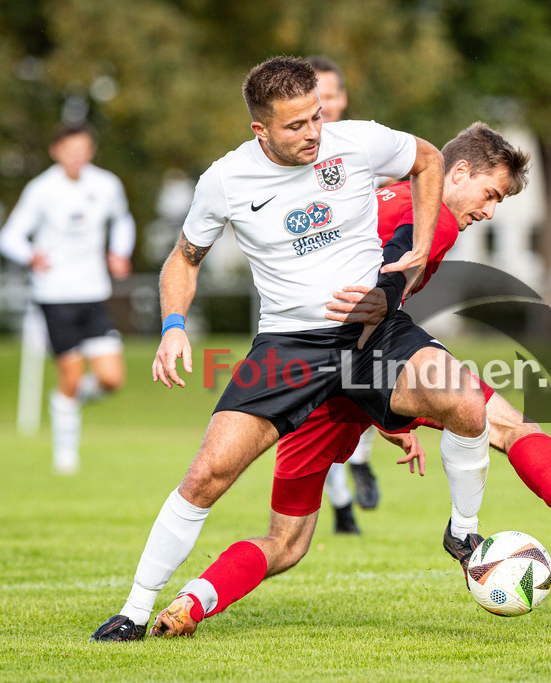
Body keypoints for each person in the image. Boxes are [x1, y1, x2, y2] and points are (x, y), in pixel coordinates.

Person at [145, 122, 551, 638]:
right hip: (349, 358)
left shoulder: (376, 195)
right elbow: (385, 276)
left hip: (324, 374)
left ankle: (191, 601)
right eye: (491, 194)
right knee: (505, 425)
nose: (490, 211)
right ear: (458, 171)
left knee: (286, 542)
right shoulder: (435, 217)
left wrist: (389, 411)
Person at [90, 55, 492, 642]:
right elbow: (183, 257)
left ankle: (464, 532)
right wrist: (174, 324)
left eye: (316, 116)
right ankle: (133, 610)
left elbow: (429, 159)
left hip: (370, 334)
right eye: (295, 125)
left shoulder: (357, 143)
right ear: (261, 130)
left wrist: (418, 251)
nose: (313, 133)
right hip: (288, 346)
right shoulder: (224, 180)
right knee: (207, 474)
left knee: (467, 403)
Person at [0, 122, 135, 475]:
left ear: (91, 151)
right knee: (70, 376)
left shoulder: (106, 185)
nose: (77, 156)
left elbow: (122, 221)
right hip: (55, 295)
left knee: (111, 379)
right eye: (70, 150)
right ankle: (66, 456)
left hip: (93, 292)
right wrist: (30, 255)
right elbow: (9, 237)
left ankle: (65, 403)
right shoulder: (41, 190)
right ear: (56, 151)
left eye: (84, 149)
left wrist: (119, 251)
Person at [305, 55, 381, 533]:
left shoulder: (362, 145)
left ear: (342, 99)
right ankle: (340, 504)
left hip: (365, 294)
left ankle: (361, 459)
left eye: (329, 96)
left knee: (373, 385)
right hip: (310, 303)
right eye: (314, 99)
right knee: (322, 410)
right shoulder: (291, 154)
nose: (323, 106)